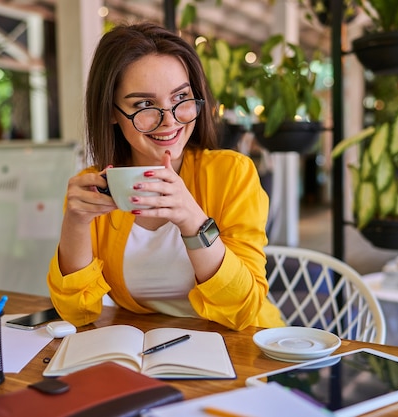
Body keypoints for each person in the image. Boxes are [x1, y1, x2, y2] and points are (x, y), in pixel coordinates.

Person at [47, 22, 284, 331]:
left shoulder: (231, 174)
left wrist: (193, 222)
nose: (169, 120)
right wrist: (75, 224)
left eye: (180, 97)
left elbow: (244, 309)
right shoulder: (95, 189)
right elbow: (76, 313)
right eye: (145, 104)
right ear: (110, 112)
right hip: (151, 354)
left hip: (244, 352)